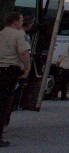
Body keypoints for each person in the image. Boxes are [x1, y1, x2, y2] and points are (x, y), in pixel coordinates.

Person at [0, 12, 31, 148]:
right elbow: (24, 53)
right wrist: (27, 68)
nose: (22, 23)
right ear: (14, 22)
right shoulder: (19, 34)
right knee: (4, 105)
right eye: (21, 20)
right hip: (10, 72)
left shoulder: (1, 33)